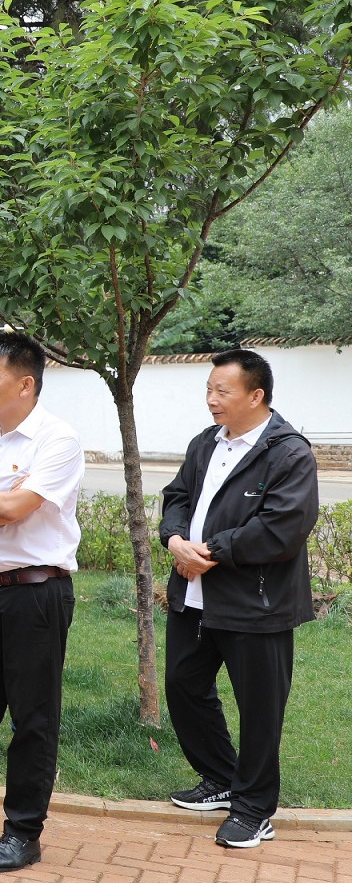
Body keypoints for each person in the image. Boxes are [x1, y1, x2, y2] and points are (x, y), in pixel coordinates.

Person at [160, 348, 319, 850]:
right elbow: (177, 497)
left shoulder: (288, 453)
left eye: (222, 391)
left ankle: (253, 809)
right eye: (208, 389)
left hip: (257, 604)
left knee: (260, 709)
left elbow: (282, 528)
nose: (211, 399)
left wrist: (212, 550)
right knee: (184, 685)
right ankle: (222, 777)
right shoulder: (205, 443)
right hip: (194, 594)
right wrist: (174, 539)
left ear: (256, 396)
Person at [0, 331, 81, 872]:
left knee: (33, 716)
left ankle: (24, 831)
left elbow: (17, 509)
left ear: (25, 384)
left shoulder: (57, 439)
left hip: (37, 593)